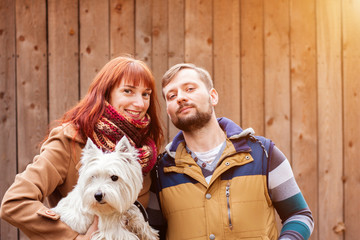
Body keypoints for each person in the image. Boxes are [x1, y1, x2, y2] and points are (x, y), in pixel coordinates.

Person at [0, 56, 164, 240]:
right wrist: (73, 238)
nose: (140, 103)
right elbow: (15, 202)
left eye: (146, 94)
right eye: (128, 91)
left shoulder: (146, 151)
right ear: (106, 93)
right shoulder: (70, 140)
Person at [149, 63, 314, 240]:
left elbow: (299, 215)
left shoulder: (264, 154)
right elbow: (152, 234)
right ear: (168, 111)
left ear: (213, 97)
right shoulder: (160, 172)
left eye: (190, 88)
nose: (180, 98)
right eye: (172, 96)